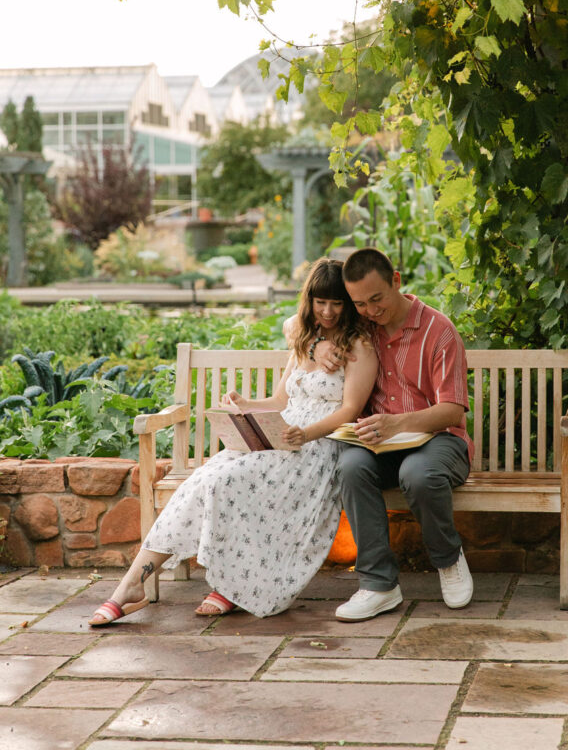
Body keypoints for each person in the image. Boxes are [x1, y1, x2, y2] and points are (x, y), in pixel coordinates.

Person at [89, 258, 377, 626]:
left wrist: (306, 434)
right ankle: (133, 583)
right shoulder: (308, 340)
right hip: (283, 435)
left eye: (337, 303)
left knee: (227, 481)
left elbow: (350, 410)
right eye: (320, 302)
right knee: (203, 479)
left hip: (318, 446)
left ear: (349, 304)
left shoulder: (358, 347)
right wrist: (245, 405)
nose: (328, 311)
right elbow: (280, 401)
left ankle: (230, 585)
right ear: (310, 300)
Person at [312, 247, 474, 622]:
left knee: (417, 474)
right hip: (379, 444)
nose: (369, 310)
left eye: (376, 299)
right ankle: (378, 585)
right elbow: (298, 322)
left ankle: (448, 560)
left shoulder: (439, 331)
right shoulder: (361, 326)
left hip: (440, 440)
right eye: (359, 303)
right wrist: (319, 345)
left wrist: (397, 423)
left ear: (396, 281)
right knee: (350, 467)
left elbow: (452, 411)